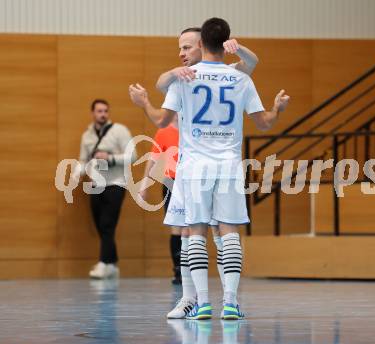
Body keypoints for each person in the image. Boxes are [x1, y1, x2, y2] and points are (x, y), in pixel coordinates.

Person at [129, 17, 289, 320]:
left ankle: (202, 303)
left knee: (195, 233)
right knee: (229, 234)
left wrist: (143, 103)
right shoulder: (240, 78)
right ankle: (230, 302)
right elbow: (265, 123)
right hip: (228, 166)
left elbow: (161, 121)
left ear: (201, 44)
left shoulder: (185, 78)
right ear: (226, 42)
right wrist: (278, 110)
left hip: (194, 167)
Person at [76, 99, 137, 279]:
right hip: (95, 185)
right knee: (101, 227)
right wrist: (77, 174)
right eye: (99, 111)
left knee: (107, 224)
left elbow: (133, 156)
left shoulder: (120, 131)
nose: (103, 114)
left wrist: (110, 158)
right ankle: (111, 263)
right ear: (93, 113)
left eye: (105, 111)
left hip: (116, 183)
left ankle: (104, 263)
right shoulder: (87, 136)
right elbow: (83, 159)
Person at [139, 114, 182, 284]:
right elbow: (153, 159)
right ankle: (178, 269)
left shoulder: (192, 129)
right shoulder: (163, 131)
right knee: (176, 228)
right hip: (171, 183)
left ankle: (190, 268)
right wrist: (144, 183)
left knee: (191, 227)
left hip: (191, 183)